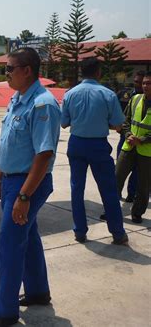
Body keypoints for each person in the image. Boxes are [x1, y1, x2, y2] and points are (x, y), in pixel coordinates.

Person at [0, 48, 61, 327]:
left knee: (10, 245)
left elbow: (43, 154)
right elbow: (9, 143)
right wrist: (0, 177)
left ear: (27, 70)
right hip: (13, 179)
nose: (6, 74)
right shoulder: (17, 99)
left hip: (29, 183)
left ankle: (5, 312)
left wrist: (24, 195)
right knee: (29, 237)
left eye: (9, 69)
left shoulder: (42, 104)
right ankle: (38, 291)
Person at [61, 57, 128, 245]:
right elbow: (117, 124)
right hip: (98, 145)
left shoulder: (70, 94)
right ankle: (117, 233)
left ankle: (80, 232)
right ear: (98, 72)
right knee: (108, 190)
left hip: (76, 144)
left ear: (82, 71)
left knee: (77, 189)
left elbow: (64, 123)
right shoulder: (107, 94)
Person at [115, 72, 151, 223]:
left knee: (144, 186)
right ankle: (111, 209)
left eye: (149, 83)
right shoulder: (135, 99)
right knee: (116, 178)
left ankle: (137, 213)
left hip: (147, 151)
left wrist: (141, 140)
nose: (145, 86)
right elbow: (125, 120)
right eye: (144, 83)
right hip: (128, 146)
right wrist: (128, 134)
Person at [113, 70, 145, 203]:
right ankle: (116, 195)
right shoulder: (125, 94)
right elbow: (117, 111)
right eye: (136, 81)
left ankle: (132, 194)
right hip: (125, 138)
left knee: (137, 171)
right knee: (120, 170)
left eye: (141, 82)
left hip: (143, 142)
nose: (138, 84)